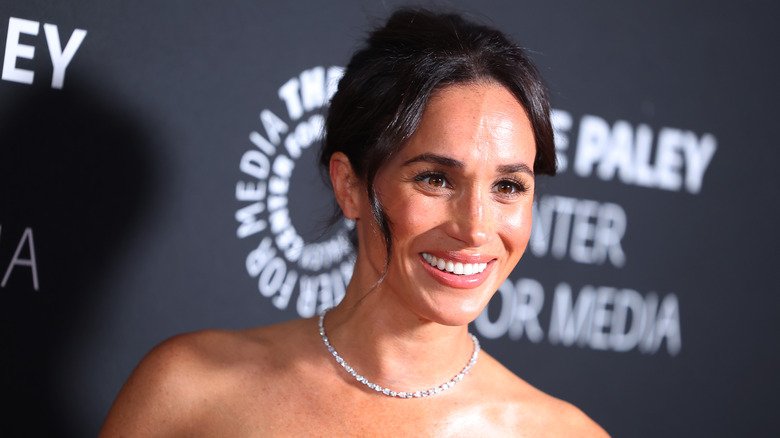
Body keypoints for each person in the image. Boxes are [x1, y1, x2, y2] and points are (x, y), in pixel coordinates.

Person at [101, 7, 608, 436]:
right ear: (349, 186)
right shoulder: (190, 390)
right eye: (435, 179)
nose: (475, 229)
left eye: (508, 186)